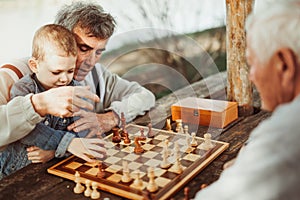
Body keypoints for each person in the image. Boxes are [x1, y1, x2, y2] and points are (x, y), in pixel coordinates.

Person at [0, 1, 155, 163]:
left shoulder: (96, 74)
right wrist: (37, 105)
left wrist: (111, 117)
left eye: (99, 52)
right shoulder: (13, 75)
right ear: (62, 38)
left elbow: (145, 96)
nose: (91, 61)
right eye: (83, 48)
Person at [195, 0, 300, 199]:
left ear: (284, 64)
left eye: (253, 64)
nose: (251, 76)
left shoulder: (284, 138)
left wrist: (244, 169)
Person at [0, 24, 103, 179]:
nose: (64, 79)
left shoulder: (73, 89)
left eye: (70, 71)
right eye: (56, 72)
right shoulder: (23, 89)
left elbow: (80, 128)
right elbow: (26, 131)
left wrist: (57, 150)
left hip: (51, 166)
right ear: (34, 66)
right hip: (12, 172)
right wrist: (65, 143)